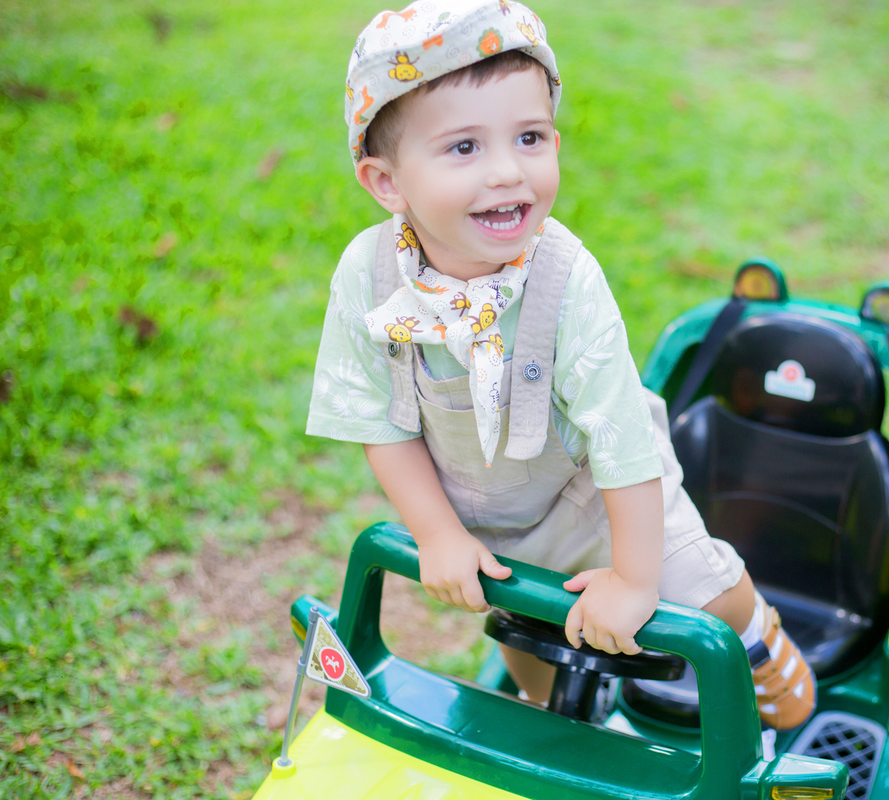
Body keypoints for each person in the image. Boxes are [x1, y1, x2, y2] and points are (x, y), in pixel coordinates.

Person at [306, 0, 815, 731]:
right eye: (463, 149)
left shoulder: (564, 276)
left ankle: (758, 637)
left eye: (531, 137)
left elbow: (621, 443)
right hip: (484, 512)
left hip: (598, 492)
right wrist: (441, 535)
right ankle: (567, 725)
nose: (509, 172)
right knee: (526, 635)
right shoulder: (369, 276)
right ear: (387, 183)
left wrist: (637, 580)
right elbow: (378, 424)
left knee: (696, 585)